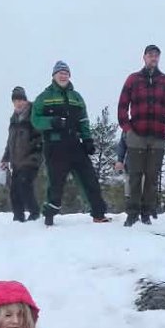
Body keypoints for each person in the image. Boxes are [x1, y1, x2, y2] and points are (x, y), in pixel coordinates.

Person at [116, 44, 165, 226]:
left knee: (152, 177)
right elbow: (122, 106)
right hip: (136, 134)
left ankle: (146, 213)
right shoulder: (133, 79)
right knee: (135, 175)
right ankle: (132, 214)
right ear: (144, 57)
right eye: (150, 55)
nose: (153, 58)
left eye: (156, 55)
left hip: (158, 136)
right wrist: (127, 129)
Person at [31, 61, 108, 226]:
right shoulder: (44, 97)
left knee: (90, 179)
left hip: (75, 144)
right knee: (56, 183)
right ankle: (49, 215)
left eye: (66, 73)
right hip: (55, 145)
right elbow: (35, 120)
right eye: (60, 73)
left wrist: (87, 139)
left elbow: (84, 120)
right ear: (54, 76)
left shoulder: (76, 97)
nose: (63, 76)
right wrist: (52, 122)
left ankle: (98, 213)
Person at [0, 86, 42, 222]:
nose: (18, 103)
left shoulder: (33, 114)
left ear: (25, 100)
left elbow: (40, 136)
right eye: (15, 101)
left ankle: (34, 213)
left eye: (20, 100)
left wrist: (35, 151)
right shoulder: (14, 119)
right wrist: (5, 158)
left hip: (31, 158)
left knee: (24, 185)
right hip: (16, 161)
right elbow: (10, 142)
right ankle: (18, 217)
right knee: (14, 190)